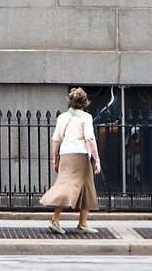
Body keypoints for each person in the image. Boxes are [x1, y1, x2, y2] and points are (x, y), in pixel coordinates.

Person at [40, 87, 101, 234]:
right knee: (80, 186)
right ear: (85, 102)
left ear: (70, 101)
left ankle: (73, 222)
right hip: (80, 155)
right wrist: (97, 159)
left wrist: (55, 160)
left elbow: (55, 141)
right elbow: (90, 140)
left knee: (75, 185)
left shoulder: (62, 117)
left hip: (66, 155)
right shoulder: (86, 118)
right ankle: (70, 222)